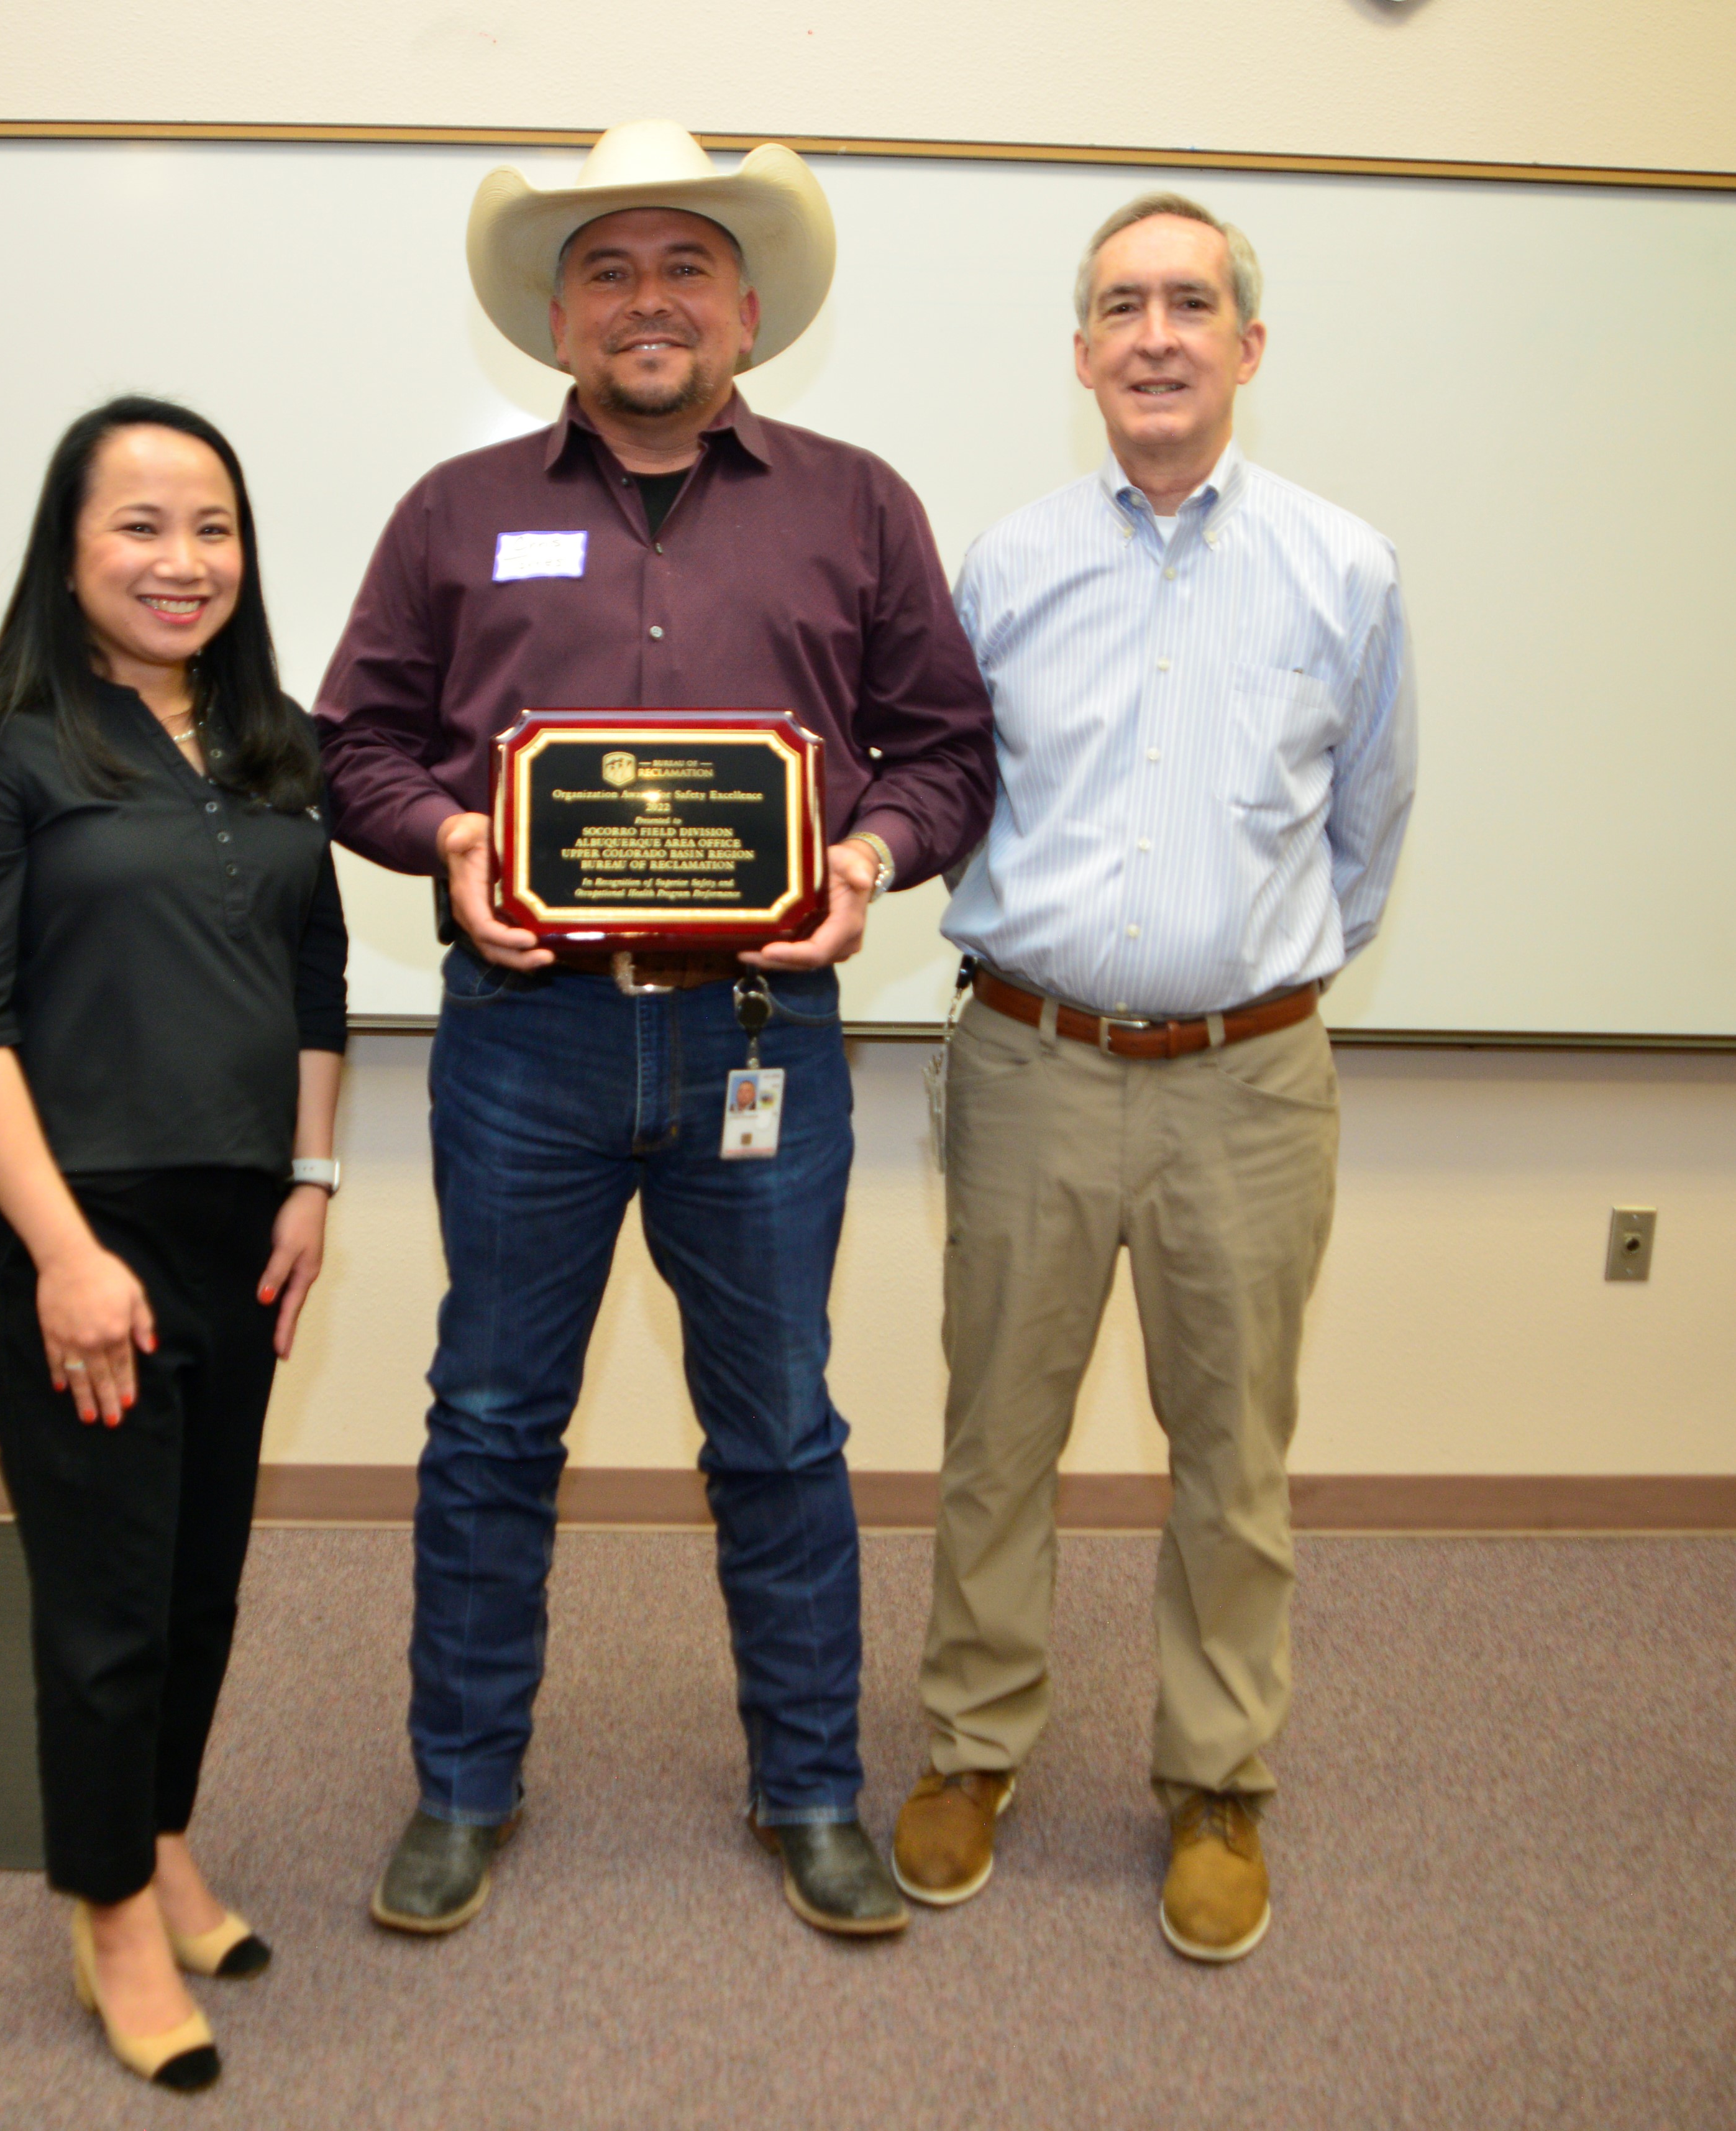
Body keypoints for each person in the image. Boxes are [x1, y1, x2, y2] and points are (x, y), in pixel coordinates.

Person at [316, 120, 995, 1939]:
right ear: (555, 321)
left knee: (779, 1430)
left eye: (686, 266)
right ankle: (462, 1786)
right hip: (522, 1041)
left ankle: (812, 1790)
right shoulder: (453, 512)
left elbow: (947, 752)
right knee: (489, 1421)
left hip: (759, 1037)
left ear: (749, 312)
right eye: (607, 270)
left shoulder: (859, 506)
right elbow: (352, 745)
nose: (648, 301)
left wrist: (865, 854)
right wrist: (452, 838)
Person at [893, 195, 1417, 1962]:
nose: (1156, 336)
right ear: (1080, 352)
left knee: (1232, 1453)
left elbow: (1366, 838)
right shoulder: (1004, 566)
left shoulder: (1345, 569)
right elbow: (951, 790)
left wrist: (1228, 981)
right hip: (1027, 1061)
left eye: (1190, 304)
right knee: (996, 1434)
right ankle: (973, 1748)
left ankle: (1217, 1781)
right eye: (1121, 306)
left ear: (1247, 346)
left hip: (1246, 1087)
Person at [0, 397, 347, 2086]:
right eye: (142, 526)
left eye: (212, 527)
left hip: (245, 1220)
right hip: (76, 1228)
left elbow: (314, 983)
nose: (184, 561)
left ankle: (159, 1840)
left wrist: (311, 1180)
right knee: (107, 1602)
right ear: (69, 546)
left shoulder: (274, 742)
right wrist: (66, 1258)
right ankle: (107, 1914)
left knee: (201, 1576)